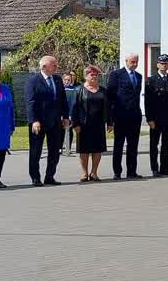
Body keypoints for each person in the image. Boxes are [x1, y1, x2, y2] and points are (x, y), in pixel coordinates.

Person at [26, 55, 68, 186]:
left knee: (55, 151)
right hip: (39, 122)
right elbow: (30, 102)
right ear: (44, 66)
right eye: (53, 65)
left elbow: (63, 99)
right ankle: (35, 177)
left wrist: (66, 117)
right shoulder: (33, 81)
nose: (56, 67)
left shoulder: (57, 79)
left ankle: (50, 176)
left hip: (55, 122)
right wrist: (34, 120)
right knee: (36, 151)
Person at [106, 54, 144, 180]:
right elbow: (110, 96)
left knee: (133, 145)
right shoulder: (116, 74)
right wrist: (110, 119)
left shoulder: (138, 76)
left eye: (136, 62)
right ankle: (117, 172)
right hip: (120, 115)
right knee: (119, 145)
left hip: (134, 115)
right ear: (126, 61)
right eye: (132, 62)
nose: (135, 64)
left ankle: (132, 171)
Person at [145, 54, 168, 176]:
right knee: (154, 145)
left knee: (167, 144)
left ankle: (164, 168)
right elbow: (148, 101)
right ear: (157, 65)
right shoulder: (151, 80)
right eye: (162, 63)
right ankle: (155, 169)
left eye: (166, 63)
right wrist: (149, 118)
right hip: (156, 118)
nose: (164, 65)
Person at [72, 65, 110, 181]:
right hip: (83, 125)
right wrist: (75, 124)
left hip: (98, 124)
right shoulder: (78, 90)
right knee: (84, 150)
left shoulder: (103, 90)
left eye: (96, 75)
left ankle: (94, 172)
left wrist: (110, 122)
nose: (94, 77)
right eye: (92, 75)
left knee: (97, 149)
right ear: (86, 76)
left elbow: (108, 108)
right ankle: (85, 173)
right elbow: (74, 109)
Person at [62, 71, 79, 156]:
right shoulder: (60, 89)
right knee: (60, 132)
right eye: (65, 80)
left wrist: (71, 115)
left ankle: (68, 148)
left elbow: (74, 103)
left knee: (70, 131)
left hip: (71, 114)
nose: (67, 81)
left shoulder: (75, 90)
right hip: (61, 114)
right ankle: (60, 148)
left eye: (69, 80)